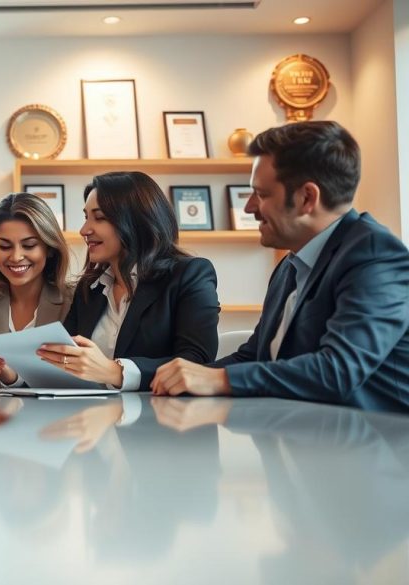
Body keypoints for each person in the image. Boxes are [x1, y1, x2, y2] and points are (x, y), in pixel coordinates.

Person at [152, 121, 409, 412]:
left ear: (307, 198)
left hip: (377, 449)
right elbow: (255, 357)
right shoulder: (290, 265)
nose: (248, 207)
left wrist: (220, 379)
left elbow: (338, 370)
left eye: (261, 194)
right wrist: (180, 377)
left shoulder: (376, 257)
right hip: (306, 442)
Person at [37, 171, 220, 390]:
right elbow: (65, 358)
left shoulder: (190, 274)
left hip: (161, 417)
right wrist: (11, 374)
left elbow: (197, 362)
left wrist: (115, 372)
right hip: (93, 417)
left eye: (100, 217)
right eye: (86, 217)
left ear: (137, 221)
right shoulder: (90, 288)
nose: (84, 230)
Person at [0, 192, 73, 387]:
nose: (16, 257)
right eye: (5, 246)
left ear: (49, 247)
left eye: (29, 245)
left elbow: (77, 377)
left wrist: (11, 376)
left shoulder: (75, 299)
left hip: (57, 416)